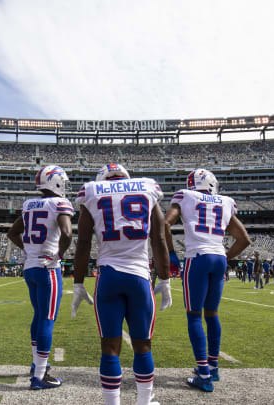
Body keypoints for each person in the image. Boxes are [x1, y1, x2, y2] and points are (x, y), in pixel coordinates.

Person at [72, 163, 171, 405]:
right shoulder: (147, 188)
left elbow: (83, 242)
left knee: (109, 345)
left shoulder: (92, 191)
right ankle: (144, 402)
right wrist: (166, 278)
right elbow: (158, 237)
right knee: (143, 343)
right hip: (139, 276)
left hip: (108, 276)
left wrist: (78, 284)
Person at [165, 168, 250, 392]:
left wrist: (171, 254)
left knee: (194, 316)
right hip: (218, 257)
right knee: (211, 315)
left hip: (198, 257)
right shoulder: (225, 201)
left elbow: (165, 224)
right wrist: (225, 256)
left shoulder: (185, 195)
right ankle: (213, 366)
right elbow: (244, 239)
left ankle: (203, 374)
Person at [6, 165, 74, 390]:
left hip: (31, 267)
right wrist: (59, 255)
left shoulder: (28, 204)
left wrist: (29, 250)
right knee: (47, 318)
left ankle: (37, 364)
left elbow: (12, 233)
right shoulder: (60, 203)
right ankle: (39, 376)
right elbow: (66, 233)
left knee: (39, 316)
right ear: (56, 182)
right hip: (48, 268)